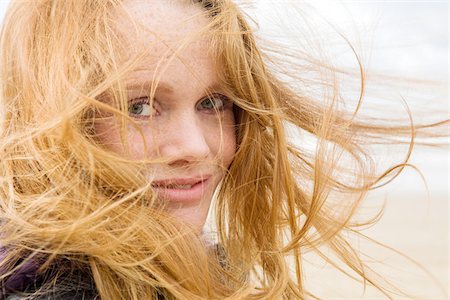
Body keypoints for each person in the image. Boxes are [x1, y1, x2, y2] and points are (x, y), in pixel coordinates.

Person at [0, 0, 447, 299]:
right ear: (51, 117)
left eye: (212, 103)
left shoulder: (196, 269)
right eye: (139, 106)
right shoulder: (40, 286)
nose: (195, 147)